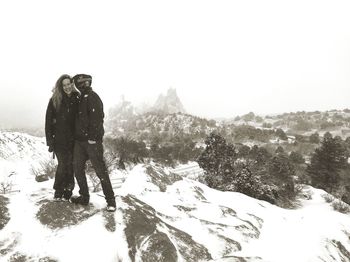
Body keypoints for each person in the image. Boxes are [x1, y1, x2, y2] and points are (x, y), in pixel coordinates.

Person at [70, 74, 116, 212]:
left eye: (85, 83)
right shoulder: (79, 98)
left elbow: (98, 118)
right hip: (79, 142)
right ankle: (84, 197)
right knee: (77, 169)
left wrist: (93, 137)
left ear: (89, 83)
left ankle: (111, 201)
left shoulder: (92, 97)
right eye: (80, 83)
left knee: (100, 171)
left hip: (92, 142)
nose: (82, 85)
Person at [45, 74, 79, 201]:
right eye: (64, 85)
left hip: (74, 140)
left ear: (72, 84)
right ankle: (59, 190)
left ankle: (68, 190)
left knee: (70, 164)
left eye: (69, 84)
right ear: (61, 86)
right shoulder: (55, 100)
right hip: (59, 139)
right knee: (63, 164)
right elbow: (48, 121)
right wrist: (50, 141)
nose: (67, 87)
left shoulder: (77, 98)